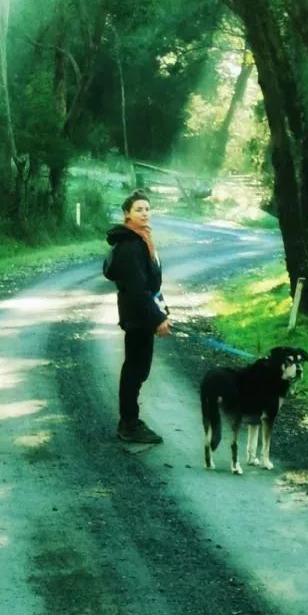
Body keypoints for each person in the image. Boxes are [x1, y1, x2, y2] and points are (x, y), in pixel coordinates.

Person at [105, 190, 171, 444]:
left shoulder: (142, 239)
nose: (144, 213)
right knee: (135, 369)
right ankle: (129, 424)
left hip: (140, 314)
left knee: (137, 368)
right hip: (137, 316)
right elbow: (137, 290)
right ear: (127, 214)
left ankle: (129, 420)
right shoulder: (132, 245)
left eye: (147, 209)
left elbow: (151, 286)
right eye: (138, 210)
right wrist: (157, 319)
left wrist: (162, 312)